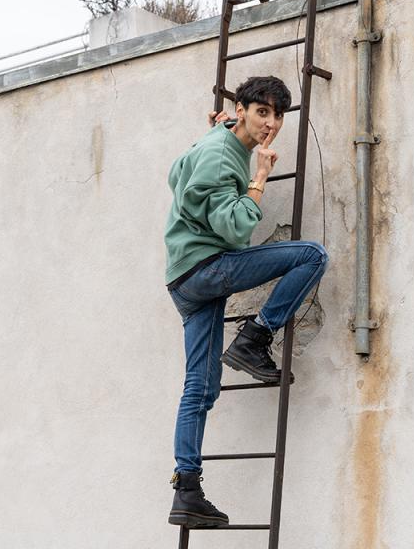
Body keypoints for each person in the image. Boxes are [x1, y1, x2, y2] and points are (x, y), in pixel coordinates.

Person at [164, 75, 329, 529]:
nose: (271, 123)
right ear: (242, 108)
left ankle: (187, 490)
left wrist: (221, 129)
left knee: (200, 387)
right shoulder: (222, 157)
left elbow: (176, 172)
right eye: (262, 112)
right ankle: (254, 337)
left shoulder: (216, 140)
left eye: (277, 115)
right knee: (312, 255)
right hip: (207, 268)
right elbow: (237, 230)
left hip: (184, 280)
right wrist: (259, 177)